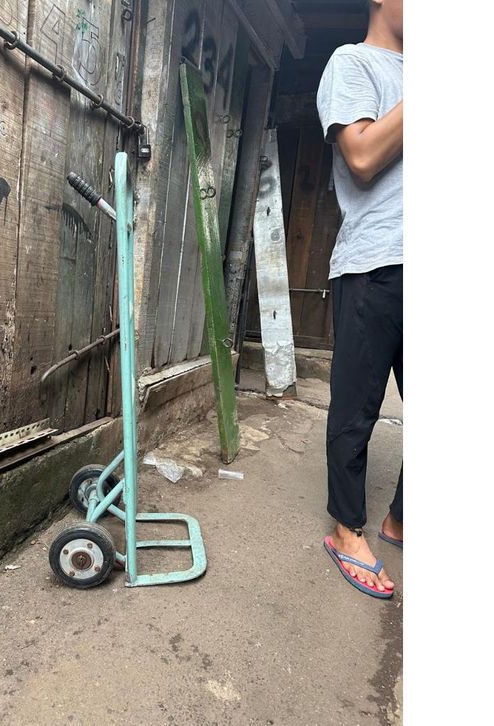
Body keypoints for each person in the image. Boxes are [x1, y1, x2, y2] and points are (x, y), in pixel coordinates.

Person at [316, 0, 403, 598]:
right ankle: (346, 529)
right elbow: (364, 156)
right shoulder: (352, 63)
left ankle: (402, 518)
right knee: (355, 410)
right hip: (376, 262)